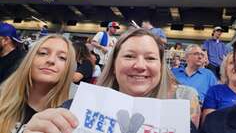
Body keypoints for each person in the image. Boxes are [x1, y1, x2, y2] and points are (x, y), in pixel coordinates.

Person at [24, 29, 201, 133]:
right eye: (129, 56)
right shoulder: (72, 110)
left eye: (150, 58)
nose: (140, 65)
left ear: (161, 68)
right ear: (114, 66)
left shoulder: (182, 125)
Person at [0, 34, 76, 133]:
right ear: (29, 60)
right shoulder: (2, 98)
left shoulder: (69, 120)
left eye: (62, 57)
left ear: (68, 68)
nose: (51, 60)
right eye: (43, 53)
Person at [201, 52, 236, 123]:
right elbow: (208, 125)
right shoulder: (215, 91)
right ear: (225, 69)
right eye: (231, 63)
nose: (235, 66)